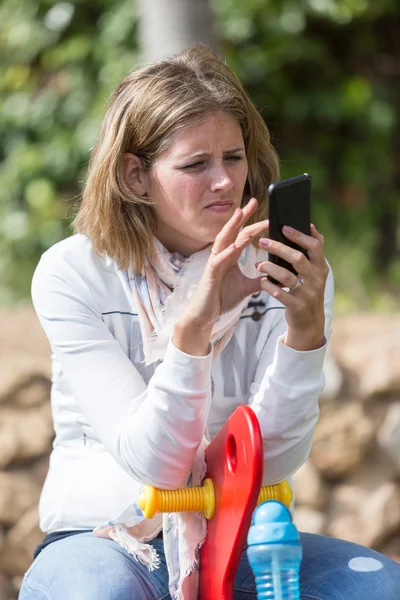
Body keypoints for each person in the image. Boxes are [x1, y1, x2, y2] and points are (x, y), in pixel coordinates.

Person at [19, 45, 400, 600]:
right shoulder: (74, 273)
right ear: (135, 176)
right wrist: (192, 334)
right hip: (106, 538)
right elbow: (152, 462)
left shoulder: (283, 268)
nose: (224, 181)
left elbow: (275, 458)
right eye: (196, 165)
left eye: (234, 158)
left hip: (241, 538)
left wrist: (304, 334)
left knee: (380, 588)